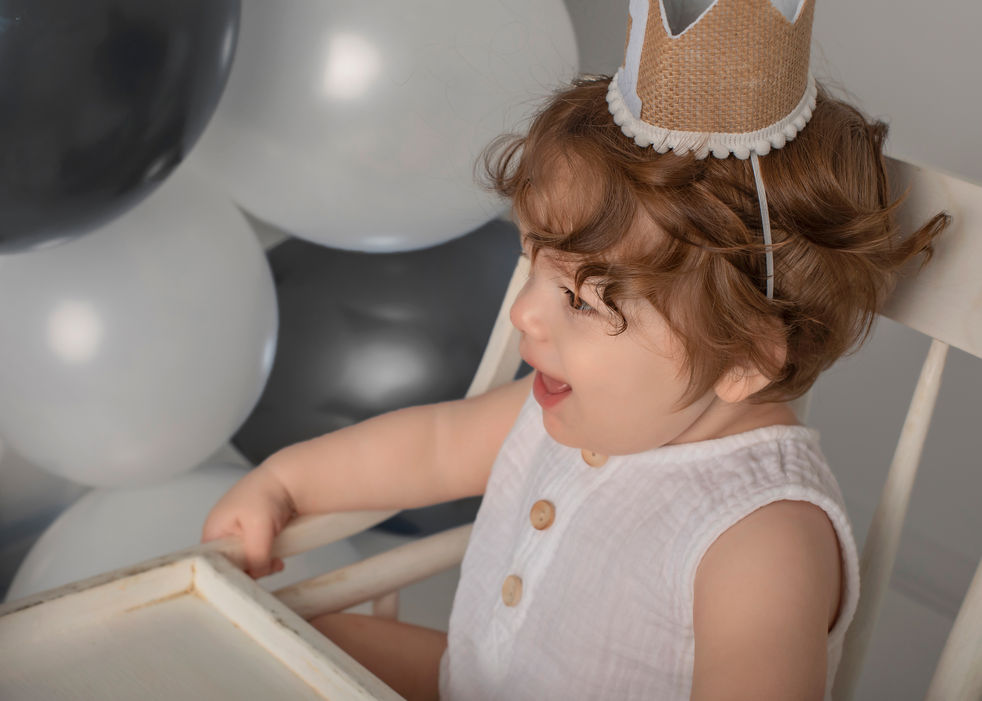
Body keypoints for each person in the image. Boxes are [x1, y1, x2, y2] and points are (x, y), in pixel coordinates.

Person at [202, 76, 948, 700]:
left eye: (583, 299)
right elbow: (433, 444)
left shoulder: (761, 538)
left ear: (744, 357)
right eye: (535, 262)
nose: (524, 310)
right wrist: (284, 481)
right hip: (467, 681)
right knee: (245, 647)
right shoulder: (575, 406)